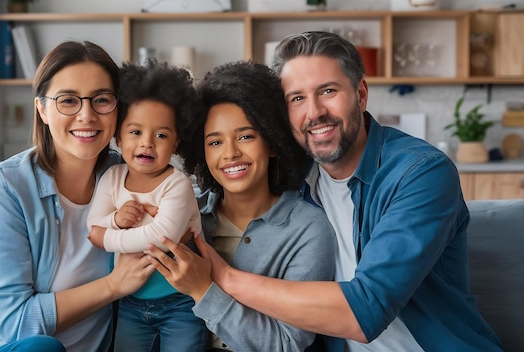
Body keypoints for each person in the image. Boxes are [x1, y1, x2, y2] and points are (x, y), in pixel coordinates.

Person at [151, 31, 505, 351]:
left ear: (361, 94)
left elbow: (366, 311)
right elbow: (228, 175)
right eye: (297, 98)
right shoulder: (296, 177)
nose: (314, 112)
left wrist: (222, 277)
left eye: (328, 91)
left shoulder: (420, 173)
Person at [0, 40, 155, 352]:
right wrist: (114, 285)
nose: (86, 115)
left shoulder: (128, 177)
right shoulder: (3, 187)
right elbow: (16, 324)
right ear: (42, 109)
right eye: (68, 101)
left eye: (101, 100)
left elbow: (178, 199)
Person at [146, 60, 336, 351]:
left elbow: (287, 344)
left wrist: (202, 290)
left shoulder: (308, 229)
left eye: (245, 137)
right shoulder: (187, 214)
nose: (231, 154)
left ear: (272, 143)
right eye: (215, 142)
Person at [86, 60, 207, 352]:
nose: (147, 143)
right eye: (135, 132)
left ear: (176, 143)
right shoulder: (113, 177)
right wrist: (116, 219)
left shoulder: (176, 184)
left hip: (180, 302)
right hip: (130, 303)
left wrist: (109, 236)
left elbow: (160, 239)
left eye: (161, 135)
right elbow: (93, 226)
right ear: (117, 136)